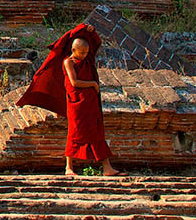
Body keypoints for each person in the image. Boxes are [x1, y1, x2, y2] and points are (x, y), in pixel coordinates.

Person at [17, 23, 121, 176]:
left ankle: (107, 167)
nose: (85, 55)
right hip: (76, 103)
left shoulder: (86, 59)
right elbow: (74, 82)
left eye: (86, 52)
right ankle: (69, 167)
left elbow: (96, 43)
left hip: (90, 101)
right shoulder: (68, 62)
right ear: (73, 50)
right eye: (82, 52)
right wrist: (93, 83)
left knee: (97, 132)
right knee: (75, 133)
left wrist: (91, 31)